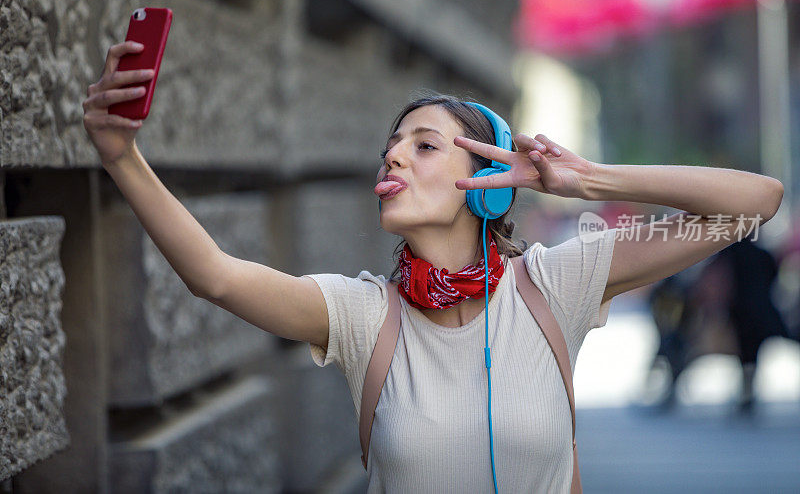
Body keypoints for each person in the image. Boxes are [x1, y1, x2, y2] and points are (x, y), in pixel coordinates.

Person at [83, 40, 785, 493]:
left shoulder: (555, 284)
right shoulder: (363, 316)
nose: (391, 157)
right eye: (392, 146)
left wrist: (589, 181)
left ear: (490, 184)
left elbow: (754, 203)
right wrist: (122, 157)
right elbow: (217, 275)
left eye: (423, 146)